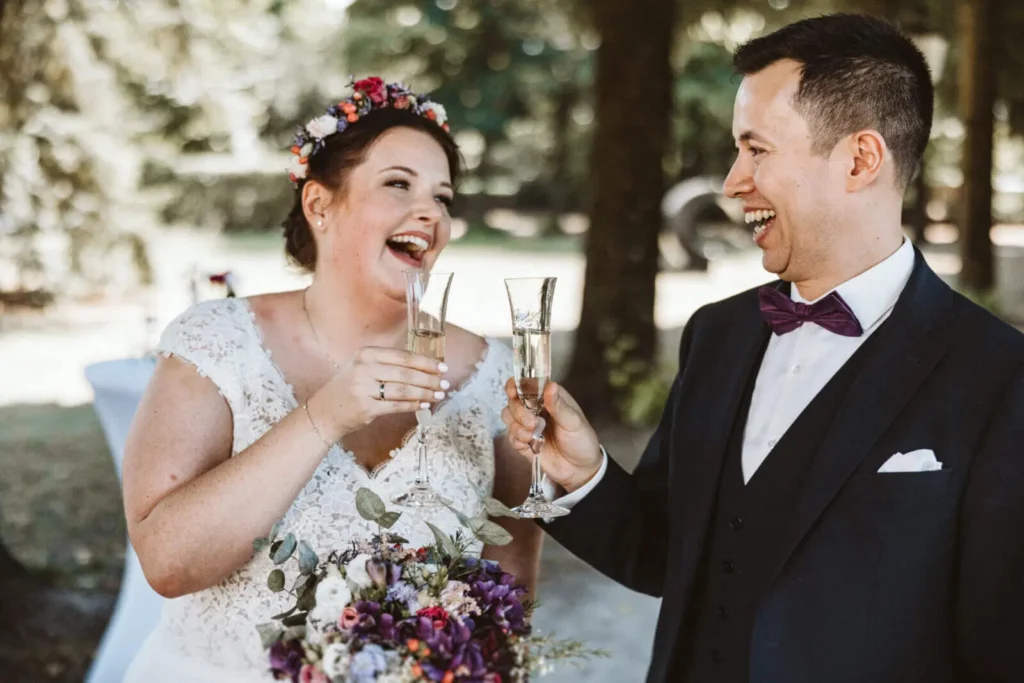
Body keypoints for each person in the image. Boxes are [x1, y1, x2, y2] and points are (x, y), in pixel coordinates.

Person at [503, 14, 1024, 683]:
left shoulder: (998, 378)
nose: (731, 182)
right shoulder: (717, 335)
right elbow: (667, 552)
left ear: (860, 159)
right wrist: (584, 474)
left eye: (756, 150)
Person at [121, 77, 541, 682]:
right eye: (398, 184)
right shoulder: (218, 342)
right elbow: (168, 564)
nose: (430, 213)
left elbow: (509, 587)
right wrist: (324, 416)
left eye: (443, 198)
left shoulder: (492, 374)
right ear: (319, 205)